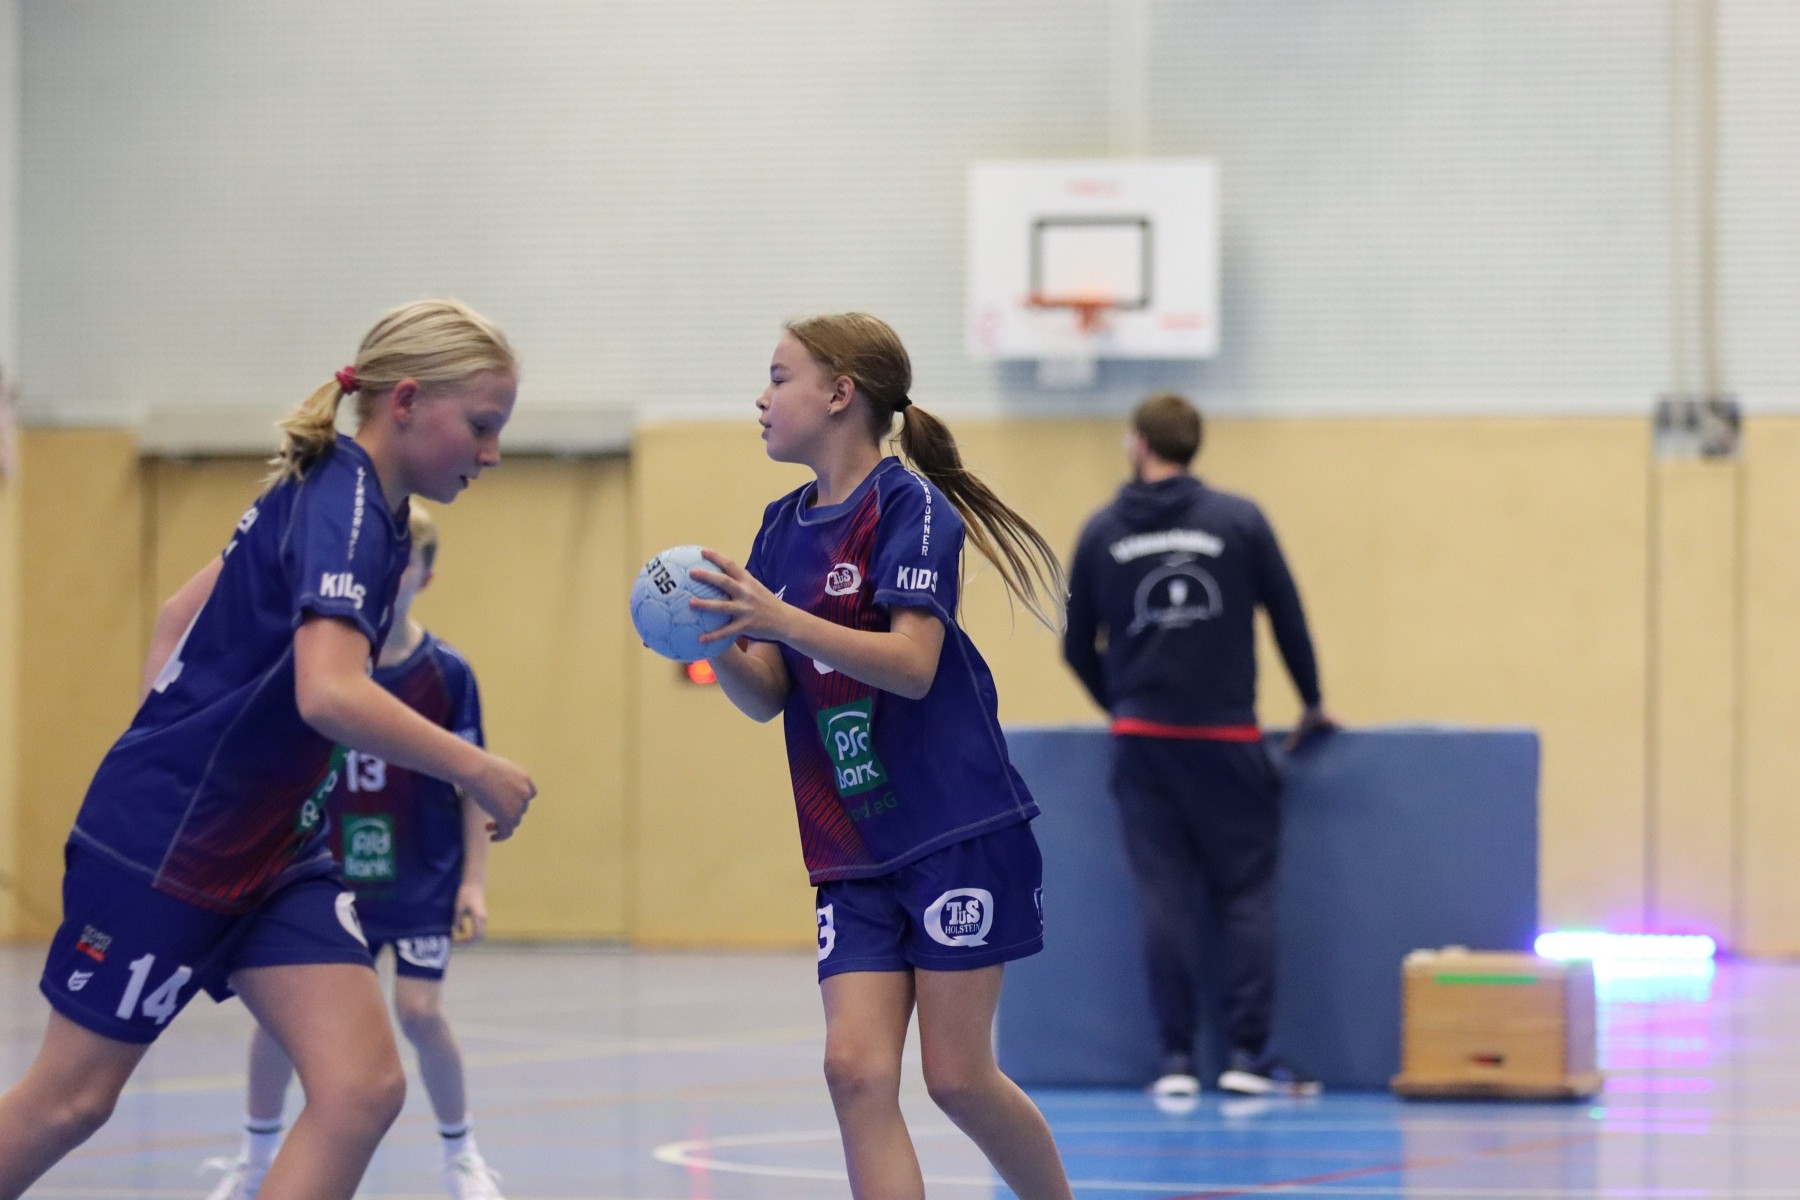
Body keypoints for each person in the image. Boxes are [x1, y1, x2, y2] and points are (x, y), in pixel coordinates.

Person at [0, 299, 536, 1200]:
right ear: (406, 401)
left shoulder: (359, 503)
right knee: (72, 1101)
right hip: (169, 848)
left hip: (275, 851)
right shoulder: (346, 508)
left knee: (360, 1090)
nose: (491, 453)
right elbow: (328, 692)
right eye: (481, 426)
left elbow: (179, 615)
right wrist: (474, 767)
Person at [690, 314, 1075, 1200]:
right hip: (852, 844)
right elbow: (769, 692)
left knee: (957, 1078)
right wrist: (714, 642)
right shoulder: (779, 526)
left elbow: (911, 664)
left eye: (778, 376)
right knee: (854, 1073)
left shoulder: (910, 507)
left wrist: (780, 618)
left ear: (840, 394)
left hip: (952, 829)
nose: (761, 398)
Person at [202, 505, 506, 1200]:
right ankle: (254, 1157)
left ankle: (461, 1155)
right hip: (329, 877)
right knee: (283, 1020)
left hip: (422, 875)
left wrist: (473, 883)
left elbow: (472, 786)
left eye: (407, 564)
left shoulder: (446, 673)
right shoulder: (325, 665)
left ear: (426, 577)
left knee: (420, 1013)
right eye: (383, 563)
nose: (393, 576)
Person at [1061, 391, 1335, 1102]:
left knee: (1164, 898)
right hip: (1226, 738)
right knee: (1245, 895)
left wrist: (1123, 706)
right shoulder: (1239, 521)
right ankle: (1247, 1053)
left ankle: (1176, 1060)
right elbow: (1288, 617)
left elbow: (1075, 644)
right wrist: (1311, 700)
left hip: (1143, 743)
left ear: (1138, 444)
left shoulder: (1101, 530)